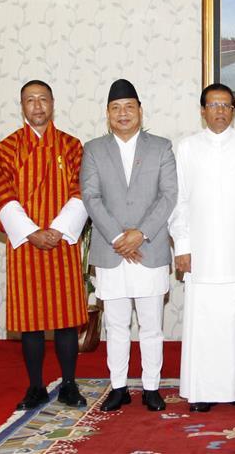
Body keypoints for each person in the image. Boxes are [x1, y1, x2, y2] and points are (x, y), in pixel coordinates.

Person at [0, 80, 89, 411]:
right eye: (30, 100)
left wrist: (58, 230)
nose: (37, 106)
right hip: (25, 244)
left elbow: (81, 191)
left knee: (65, 320)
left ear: (52, 103)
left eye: (42, 99)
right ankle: (34, 386)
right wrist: (32, 232)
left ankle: (69, 384)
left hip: (61, 242)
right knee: (30, 321)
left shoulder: (72, 146)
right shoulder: (6, 148)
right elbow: (1, 194)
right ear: (22, 106)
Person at [168, 83, 235, 413]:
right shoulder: (187, 147)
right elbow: (178, 200)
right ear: (202, 110)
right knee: (204, 323)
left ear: (234, 111)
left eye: (226, 105)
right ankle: (202, 391)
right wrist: (182, 245)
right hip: (201, 253)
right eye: (214, 105)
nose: (220, 111)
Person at [81, 79, 177, 412]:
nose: (123, 114)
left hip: (149, 250)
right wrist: (119, 238)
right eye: (116, 108)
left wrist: (141, 234)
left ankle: (151, 387)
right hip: (111, 252)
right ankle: (119, 387)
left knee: (151, 326)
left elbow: (169, 196)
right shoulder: (93, 149)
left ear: (139, 110)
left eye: (129, 107)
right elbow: (90, 197)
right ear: (107, 114)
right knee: (116, 325)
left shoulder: (161, 147)